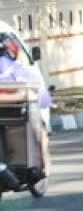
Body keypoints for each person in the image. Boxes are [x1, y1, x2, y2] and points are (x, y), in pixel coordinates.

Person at [0, 35, 52, 189]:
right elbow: (44, 100)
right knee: (40, 131)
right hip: (17, 118)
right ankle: (39, 170)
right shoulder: (22, 70)